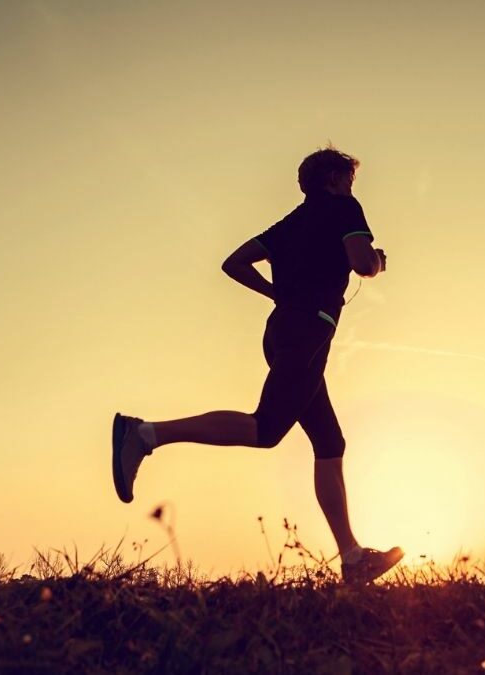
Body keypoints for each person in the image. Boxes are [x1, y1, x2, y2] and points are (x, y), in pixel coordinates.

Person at [112, 145, 403, 584]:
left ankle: (353, 558)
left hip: (284, 330)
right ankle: (145, 434)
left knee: (329, 441)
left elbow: (233, 262)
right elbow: (362, 264)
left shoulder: (290, 223)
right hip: (307, 333)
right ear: (334, 179)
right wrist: (378, 261)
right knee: (265, 430)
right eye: (348, 179)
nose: (351, 186)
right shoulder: (344, 207)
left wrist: (276, 295)